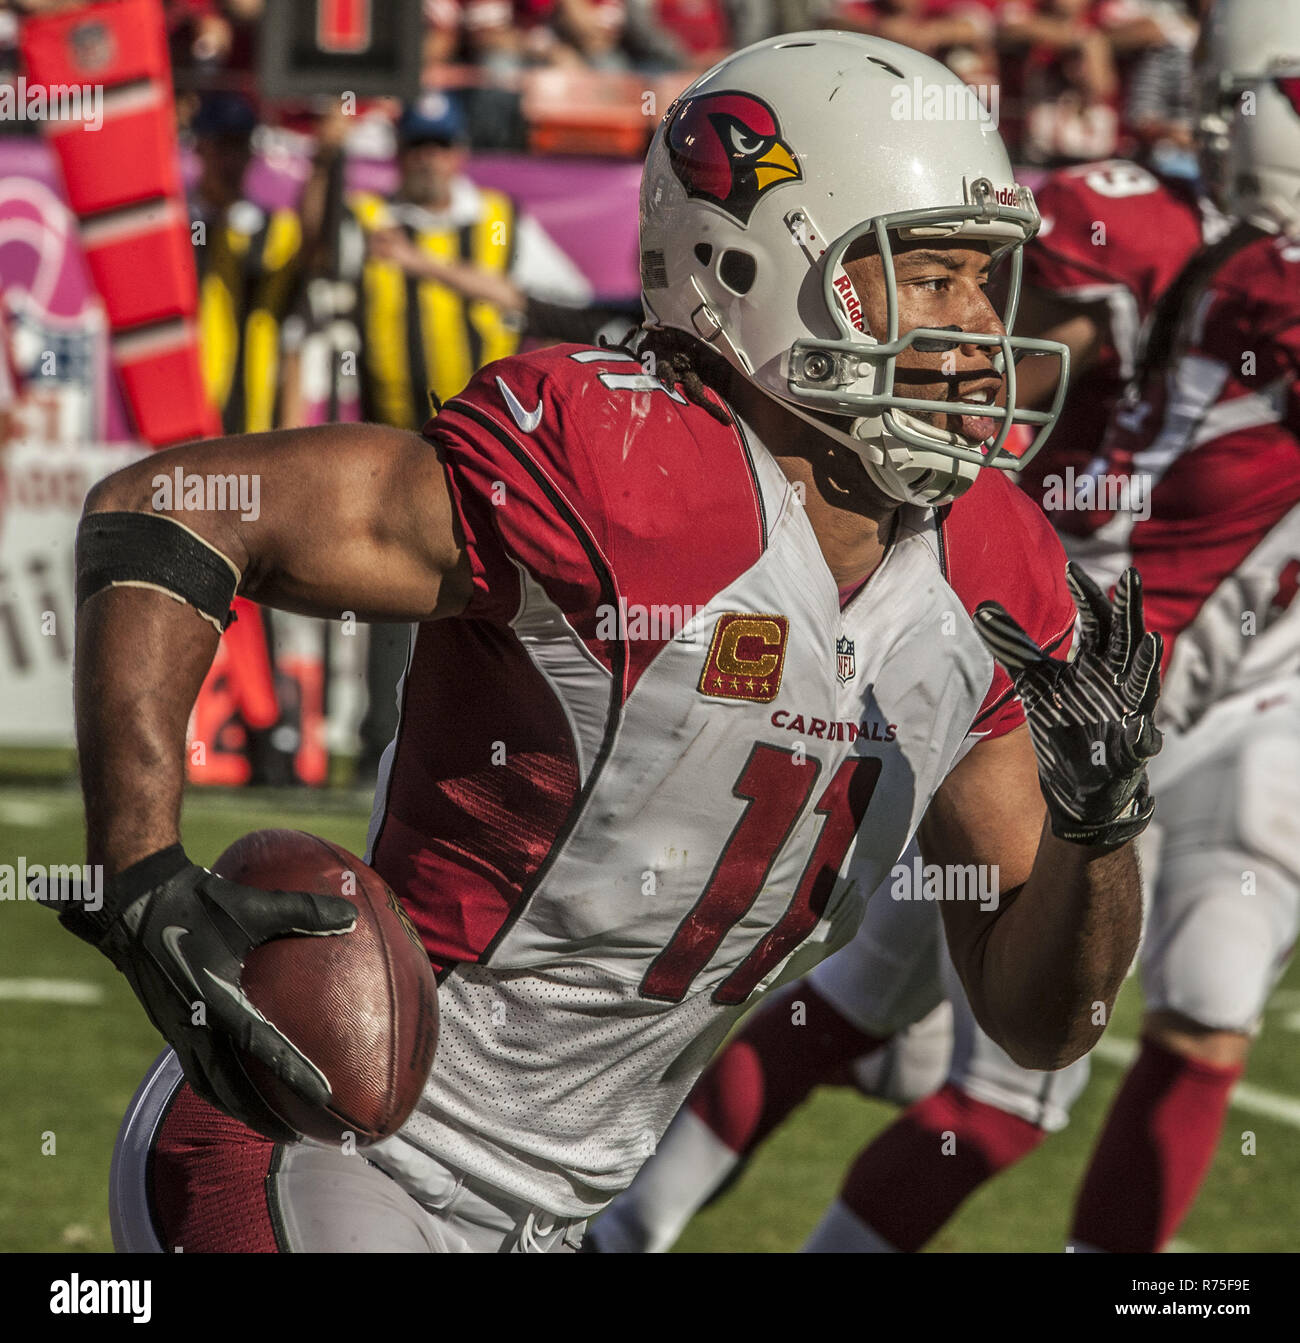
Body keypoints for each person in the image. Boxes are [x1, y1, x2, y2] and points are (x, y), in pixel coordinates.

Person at [64, 32, 1159, 1254]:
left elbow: (1040, 1017)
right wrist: (139, 870)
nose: (974, 334)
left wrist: (1098, 833)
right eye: (926, 276)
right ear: (748, 263)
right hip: (332, 1142)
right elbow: (169, 511)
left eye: (983, 281)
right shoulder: (621, 468)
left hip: (554, 1215)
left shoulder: (995, 565)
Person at [338, 89, 594, 779]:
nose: (428, 160)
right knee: (392, 596)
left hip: (490, 455)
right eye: (416, 146)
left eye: (439, 145)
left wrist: (427, 267)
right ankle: (378, 742)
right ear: (398, 156)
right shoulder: (365, 220)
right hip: (396, 446)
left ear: (460, 152)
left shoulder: (498, 222)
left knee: (490, 597)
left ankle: (497, 749)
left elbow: (569, 311)